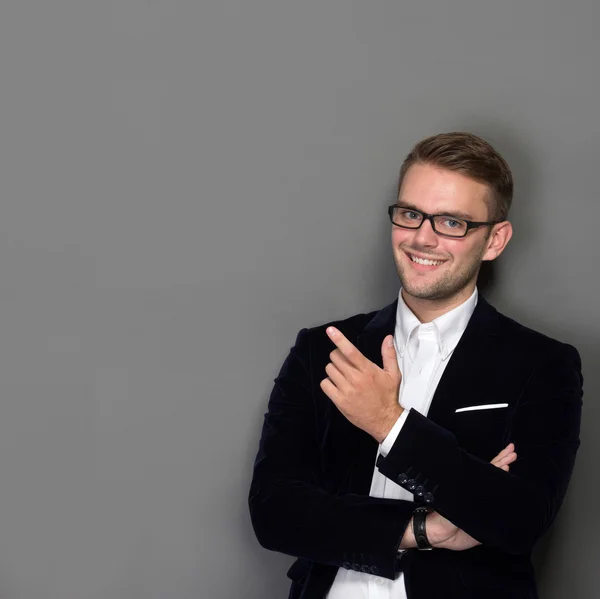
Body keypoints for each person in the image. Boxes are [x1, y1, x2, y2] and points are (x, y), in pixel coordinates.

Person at [248, 132, 583, 599]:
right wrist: (425, 528)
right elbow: (275, 512)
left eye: (451, 222)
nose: (422, 238)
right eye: (410, 214)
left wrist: (389, 423)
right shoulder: (324, 349)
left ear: (495, 240)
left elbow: (518, 519)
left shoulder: (543, 364)